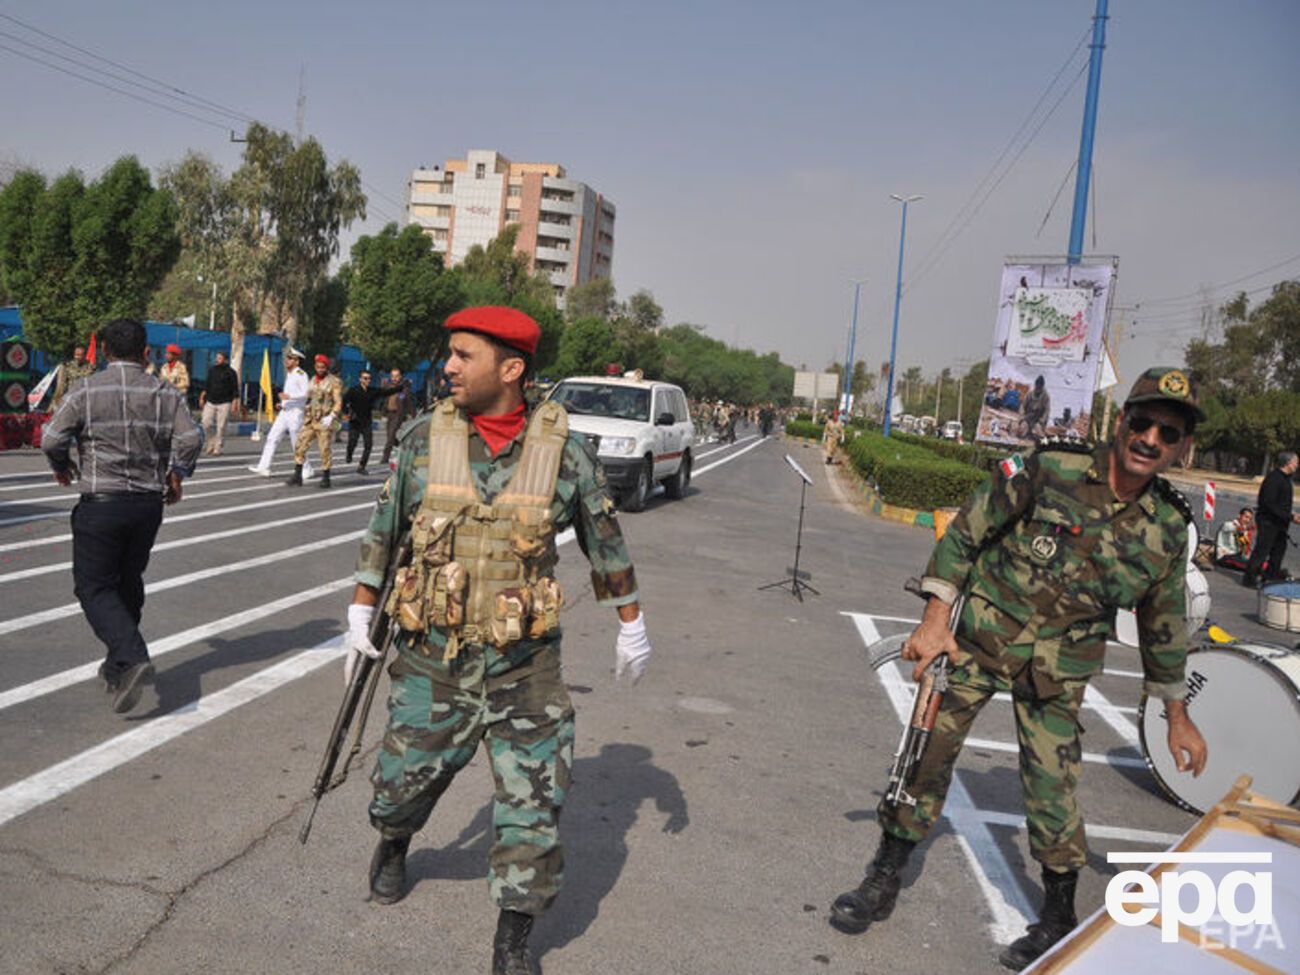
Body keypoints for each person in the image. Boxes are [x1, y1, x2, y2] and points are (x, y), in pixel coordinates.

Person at [830, 366, 1209, 971]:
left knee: (1055, 793)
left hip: (1059, 672)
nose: (1151, 440)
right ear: (1121, 422)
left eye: (1169, 433)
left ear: (1182, 446)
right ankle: (883, 877)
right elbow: (964, 537)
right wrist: (934, 621)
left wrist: (1176, 716)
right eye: (1143, 423)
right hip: (976, 643)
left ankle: (1056, 918)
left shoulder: (1167, 529)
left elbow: (1164, 628)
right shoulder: (1049, 468)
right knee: (924, 758)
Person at [346, 305, 651, 975]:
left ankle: (513, 941)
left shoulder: (565, 453)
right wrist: (360, 609)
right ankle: (395, 840)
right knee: (400, 786)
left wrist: (631, 621)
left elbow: (606, 540)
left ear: (510, 369)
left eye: (464, 355)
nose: (448, 366)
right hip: (434, 659)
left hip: (526, 668)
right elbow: (386, 528)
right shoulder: (425, 439)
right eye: (449, 353)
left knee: (534, 808)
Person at [40, 318, 202, 714]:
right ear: (146, 352)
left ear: (105, 352)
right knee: (127, 581)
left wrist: (61, 465)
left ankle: (131, 656)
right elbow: (190, 438)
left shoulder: (86, 390)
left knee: (93, 587)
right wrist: (178, 473)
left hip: (102, 503)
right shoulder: (165, 392)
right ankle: (117, 666)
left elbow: (51, 438)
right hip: (147, 506)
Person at [248, 348, 312, 479]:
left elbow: (306, 394)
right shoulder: (289, 374)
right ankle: (264, 467)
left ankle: (307, 468)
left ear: (296, 361)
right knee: (272, 438)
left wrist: (289, 397)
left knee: (296, 443)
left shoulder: (301, 374)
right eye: (287, 358)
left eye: (290, 359)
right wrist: (282, 403)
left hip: (295, 413)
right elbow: (287, 396)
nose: (287, 361)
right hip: (284, 412)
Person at [1241, 451, 1300, 588]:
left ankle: (1270, 578)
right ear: (1288, 463)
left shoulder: (1286, 479)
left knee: (1279, 550)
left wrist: (1291, 515)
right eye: (1296, 462)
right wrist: (1290, 516)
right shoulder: (1274, 479)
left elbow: (1282, 503)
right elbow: (1268, 504)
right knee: (1262, 550)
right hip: (1269, 521)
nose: (1297, 465)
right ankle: (1249, 578)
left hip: (1281, 522)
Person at [287, 354, 343, 489]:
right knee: (300, 445)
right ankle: (297, 475)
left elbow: (338, 402)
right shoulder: (312, 380)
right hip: (311, 420)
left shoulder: (334, 382)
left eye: (323, 367)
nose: (320, 369)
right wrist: (305, 410)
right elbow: (309, 398)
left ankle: (326, 477)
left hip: (324, 420)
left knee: (324, 449)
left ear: (326, 367)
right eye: (318, 367)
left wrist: (332, 415)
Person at [342, 370, 388, 475]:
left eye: (369, 378)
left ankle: (362, 466)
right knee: (352, 442)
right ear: (360, 379)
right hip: (355, 421)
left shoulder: (371, 392)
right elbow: (344, 401)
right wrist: (346, 412)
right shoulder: (353, 390)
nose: (368, 380)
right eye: (365, 378)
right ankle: (349, 453)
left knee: (369, 444)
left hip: (367, 422)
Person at [198, 351, 239, 456]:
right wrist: (202, 397)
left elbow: (235, 389)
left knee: (221, 426)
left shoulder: (231, 372)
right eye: (217, 358)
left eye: (220, 358)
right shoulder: (212, 370)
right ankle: (210, 442)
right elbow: (207, 385)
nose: (217, 360)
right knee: (205, 422)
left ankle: (218, 447)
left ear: (225, 360)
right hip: (211, 401)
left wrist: (235, 403)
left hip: (225, 402)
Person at [379, 367, 415, 466]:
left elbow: (409, 401)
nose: (394, 378)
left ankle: (385, 457)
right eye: (392, 376)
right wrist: (383, 414)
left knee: (390, 436)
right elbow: (384, 401)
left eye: (396, 376)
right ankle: (403, 446)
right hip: (389, 414)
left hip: (398, 414)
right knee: (390, 436)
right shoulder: (388, 387)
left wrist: (413, 415)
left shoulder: (404, 388)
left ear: (400, 377)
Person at [51, 344, 95, 409]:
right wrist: (56, 402)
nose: (78, 357)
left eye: (81, 355)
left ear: (85, 355)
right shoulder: (66, 366)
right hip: (70, 400)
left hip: (84, 400)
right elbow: (61, 386)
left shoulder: (90, 368)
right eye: (76, 354)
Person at [1214, 506, 1256, 571]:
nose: (1247, 520)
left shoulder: (1244, 529)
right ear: (1239, 515)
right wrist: (1248, 528)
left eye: (1250, 519)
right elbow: (1237, 529)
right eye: (1246, 517)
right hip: (1224, 557)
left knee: (1256, 562)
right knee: (1251, 567)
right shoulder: (1228, 524)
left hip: (1236, 556)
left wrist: (1249, 536)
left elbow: (1245, 549)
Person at [1020, 374, 1050, 441]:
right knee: (1022, 429)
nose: (1038, 388)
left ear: (1042, 386)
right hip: (1028, 417)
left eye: (1040, 386)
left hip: (1038, 420)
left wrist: (1041, 421)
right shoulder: (1030, 394)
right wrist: (1022, 417)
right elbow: (1022, 406)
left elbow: (1047, 411)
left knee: (1038, 432)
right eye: (1037, 386)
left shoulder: (1046, 396)